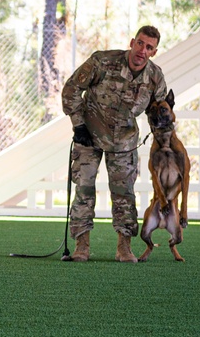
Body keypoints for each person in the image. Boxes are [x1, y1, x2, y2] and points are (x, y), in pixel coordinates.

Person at [61, 26, 168, 263]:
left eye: (149, 47)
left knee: (124, 195)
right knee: (84, 189)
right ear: (132, 42)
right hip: (88, 135)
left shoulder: (155, 77)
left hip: (124, 142)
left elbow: (158, 111)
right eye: (140, 43)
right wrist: (78, 125)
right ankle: (81, 246)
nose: (142, 50)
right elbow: (71, 89)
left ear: (154, 51)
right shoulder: (102, 61)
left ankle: (124, 248)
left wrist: (163, 142)